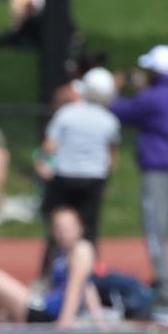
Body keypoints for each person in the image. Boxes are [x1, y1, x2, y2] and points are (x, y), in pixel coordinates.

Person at [112, 45, 168, 307]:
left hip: (160, 169)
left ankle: (166, 290)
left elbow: (121, 110)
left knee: (157, 232)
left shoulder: (153, 97)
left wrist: (116, 87)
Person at [41, 67, 121, 247]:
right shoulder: (109, 119)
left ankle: (51, 269)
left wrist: (45, 164)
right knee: (89, 226)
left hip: (65, 175)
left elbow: (49, 146)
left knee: (59, 223)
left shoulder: (66, 113)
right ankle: (87, 270)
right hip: (94, 177)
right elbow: (112, 155)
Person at [0, 206, 103, 328]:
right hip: (45, 304)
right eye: (59, 228)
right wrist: (98, 316)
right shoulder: (61, 253)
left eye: (68, 227)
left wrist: (64, 322)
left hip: (49, 312)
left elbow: (76, 286)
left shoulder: (81, 249)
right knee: (1, 305)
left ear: (79, 228)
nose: (63, 232)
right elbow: (87, 286)